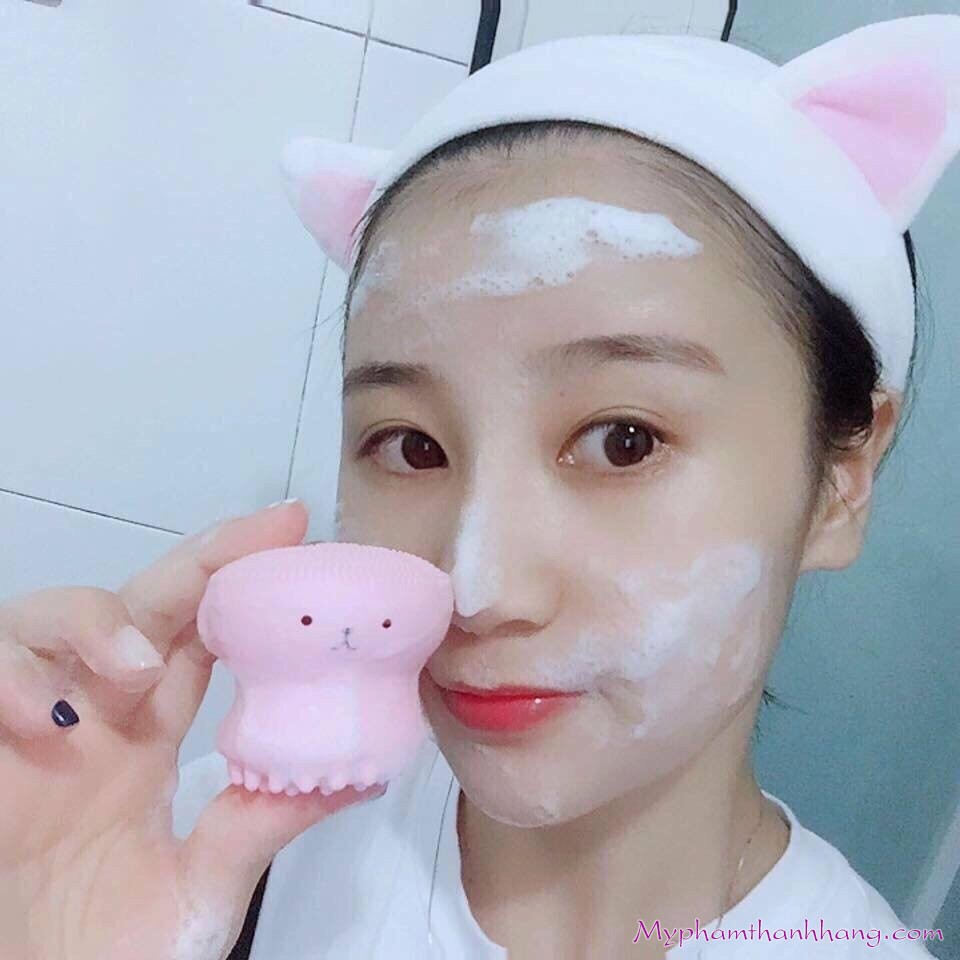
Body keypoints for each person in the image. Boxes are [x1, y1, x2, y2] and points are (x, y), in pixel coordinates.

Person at [1, 14, 957, 960]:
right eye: (412, 446)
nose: (477, 587)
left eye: (623, 441)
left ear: (842, 479)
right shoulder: (201, 859)